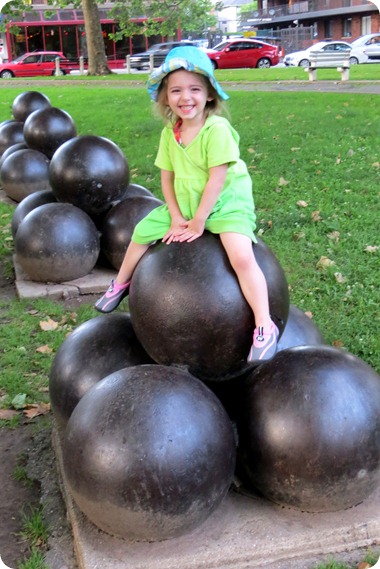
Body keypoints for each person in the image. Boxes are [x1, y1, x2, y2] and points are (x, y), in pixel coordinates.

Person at [95, 46, 278, 361]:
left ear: (209, 94)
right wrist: (178, 216)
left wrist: (199, 223)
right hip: (186, 203)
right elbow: (167, 179)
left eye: (194, 89)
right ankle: (120, 283)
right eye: (176, 90)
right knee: (141, 232)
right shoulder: (171, 132)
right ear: (166, 97)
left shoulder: (216, 130)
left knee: (241, 257)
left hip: (225, 204)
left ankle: (264, 325)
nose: (185, 97)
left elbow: (216, 180)